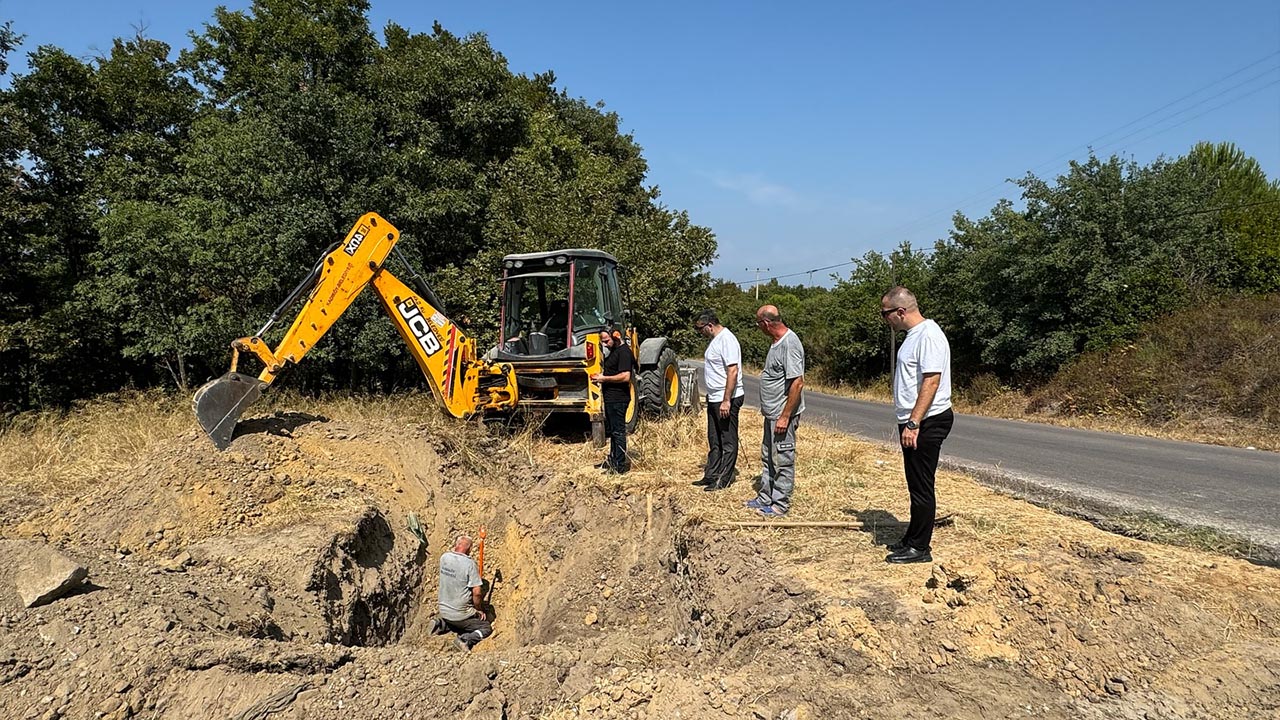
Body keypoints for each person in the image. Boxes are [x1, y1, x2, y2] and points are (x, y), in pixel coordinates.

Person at [881, 286, 954, 564]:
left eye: (885, 313)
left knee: (922, 485)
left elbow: (931, 380)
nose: (885, 319)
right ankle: (912, 538)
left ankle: (920, 548)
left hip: (927, 420)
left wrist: (914, 422)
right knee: (915, 483)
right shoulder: (914, 336)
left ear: (901, 311)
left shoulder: (929, 335)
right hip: (916, 420)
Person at [745, 305, 804, 517]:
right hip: (772, 414)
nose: (758, 327)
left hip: (781, 415)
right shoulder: (775, 343)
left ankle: (780, 504)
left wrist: (785, 416)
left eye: (758, 323)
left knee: (783, 459)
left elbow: (797, 383)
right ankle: (765, 496)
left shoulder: (790, 343)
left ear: (766, 323)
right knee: (768, 456)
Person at [693, 309, 744, 492]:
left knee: (727, 440)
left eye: (701, 329)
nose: (700, 333)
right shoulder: (715, 340)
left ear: (710, 325)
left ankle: (724, 479)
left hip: (726, 398)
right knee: (714, 438)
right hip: (714, 397)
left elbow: (733, 371)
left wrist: (726, 400)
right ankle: (711, 474)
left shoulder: (727, 340)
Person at [436, 535, 492, 651]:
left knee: (457, 620)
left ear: (456, 544)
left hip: (443, 610)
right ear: (469, 548)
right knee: (485, 627)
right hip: (460, 615)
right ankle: (464, 640)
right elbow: (477, 593)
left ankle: (441, 623)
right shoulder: (469, 565)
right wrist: (479, 609)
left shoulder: (444, 558)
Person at [591, 328, 634, 473]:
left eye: (606, 341)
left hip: (618, 399)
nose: (605, 344)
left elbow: (625, 376)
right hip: (611, 398)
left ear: (615, 336)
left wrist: (604, 378)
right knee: (614, 432)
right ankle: (613, 461)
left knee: (618, 432)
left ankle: (620, 467)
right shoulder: (615, 351)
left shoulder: (624, 353)